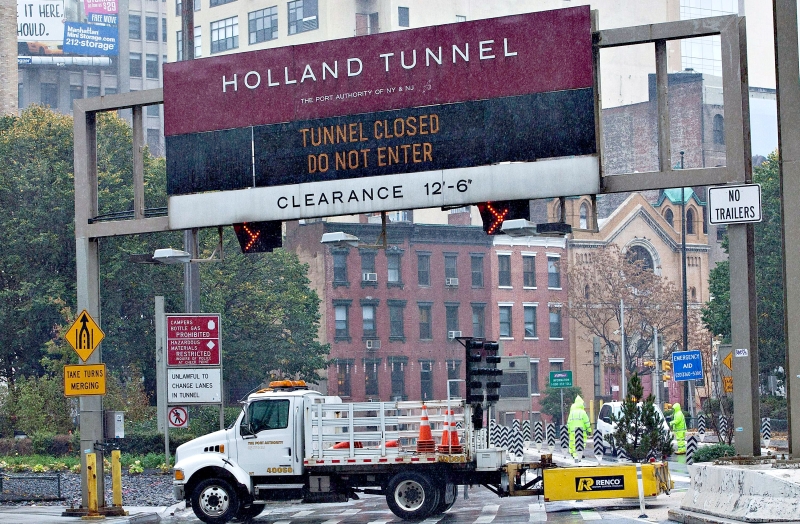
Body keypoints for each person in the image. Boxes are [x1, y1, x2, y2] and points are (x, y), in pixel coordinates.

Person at [568, 395, 592, 461]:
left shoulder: (572, 413)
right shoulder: (583, 412)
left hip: (572, 431)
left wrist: (568, 430)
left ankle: (573, 454)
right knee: (582, 442)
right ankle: (578, 454)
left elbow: (568, 422)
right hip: (582, 431)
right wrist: (589, 430)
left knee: (573, 442)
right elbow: (587, 422)